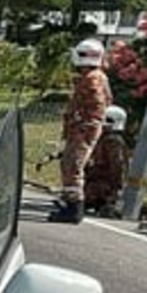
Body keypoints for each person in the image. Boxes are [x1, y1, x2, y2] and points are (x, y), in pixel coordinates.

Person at [49, 38, 112, 223]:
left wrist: (82, 121)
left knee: (72, 165)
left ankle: (73, 208)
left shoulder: (92, 79)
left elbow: (98, 105)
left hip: (83, 129)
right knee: (70, 164)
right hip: (84, 128)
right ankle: (71, 203)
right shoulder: (97, 76)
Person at [83, 104, 131, 215]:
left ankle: (104, 202)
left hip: (104, 185)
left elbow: (118, 165)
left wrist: (117, 188)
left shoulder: (113, 141)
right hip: (96, 181)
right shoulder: (102, 139)